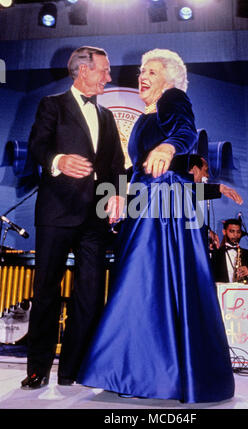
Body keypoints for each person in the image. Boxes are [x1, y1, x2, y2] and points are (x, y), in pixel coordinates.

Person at [77, 49, 235, 403]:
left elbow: (185, 131)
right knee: (149, 286)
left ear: (170, 79)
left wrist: (167, 146)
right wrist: (120, 195)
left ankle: (136, 373)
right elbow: (136, 170)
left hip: (163, 207)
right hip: (146, 204)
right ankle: (142, 373)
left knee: (141, 282)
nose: (142, 76)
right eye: (141, 71)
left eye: (151, 71)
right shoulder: (148, 113)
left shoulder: (174, 98)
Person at [21, 46, 125, 390]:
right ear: (83, 70)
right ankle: (38, 368)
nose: (108, 77)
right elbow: (37, 145)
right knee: (46, 291)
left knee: (91, 294)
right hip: (56, 213)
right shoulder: (52, 105)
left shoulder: (108, 117)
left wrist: (119, 195)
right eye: (104, 71)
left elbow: (114, 167)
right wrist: (59, 160)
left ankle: (73, 368)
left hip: (94, 221)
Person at [211, 218, 248, 284]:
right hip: (221, 292)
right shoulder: (215, 254)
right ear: (224, 232)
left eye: (238, 232)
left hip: (243, 293)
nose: (235, 235)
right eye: (232, 231)